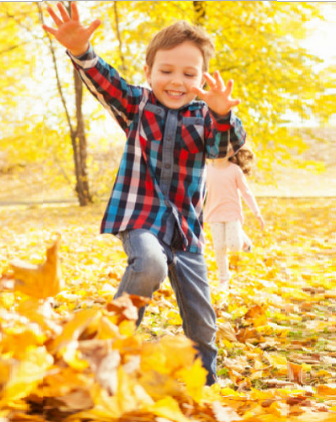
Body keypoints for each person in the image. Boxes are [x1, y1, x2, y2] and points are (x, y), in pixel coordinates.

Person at [43, 2, 247, 386]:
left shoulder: (205, 118)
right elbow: (106, 84)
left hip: (186, 234)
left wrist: (222, 114)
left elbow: (224, 149)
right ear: (148, 72)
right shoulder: (138, 104)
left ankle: (206, 383)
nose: (176, 80)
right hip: (141, 220)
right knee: (149, 263)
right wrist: (81, 51)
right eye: (166, 70)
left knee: (202, 320)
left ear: (202, 78)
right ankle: (101, 355)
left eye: (189, 73)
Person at [205, 146, 265, 289]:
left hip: (232, 212)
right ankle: (223, 279)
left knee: (234, 246)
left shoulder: (235, 171)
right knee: (219, 247)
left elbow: (246, 193)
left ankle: (243, 240)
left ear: (232, 151)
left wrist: (257, 213)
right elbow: (200, 193)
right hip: (214, 213)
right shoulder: (206, 170)